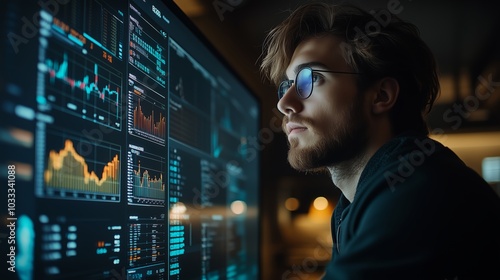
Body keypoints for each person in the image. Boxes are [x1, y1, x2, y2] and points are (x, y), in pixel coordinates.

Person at [260, 2, 500, 279]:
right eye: (286, 86)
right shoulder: (354, 204)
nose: (284, 104)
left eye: (308, 79)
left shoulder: (416, 186)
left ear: (381, 96)